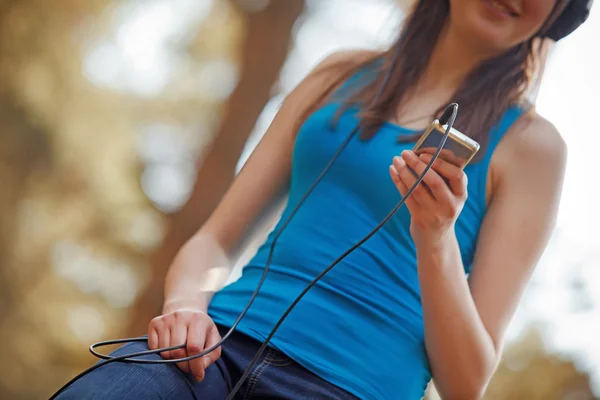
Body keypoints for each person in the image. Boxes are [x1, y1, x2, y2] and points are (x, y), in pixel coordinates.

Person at [57, 0, 580, 399]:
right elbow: (215, 242)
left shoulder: (534, 148)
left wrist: (435, 237)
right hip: (213, 350)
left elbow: (466, 382)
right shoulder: (338, 75)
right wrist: (185, 308)